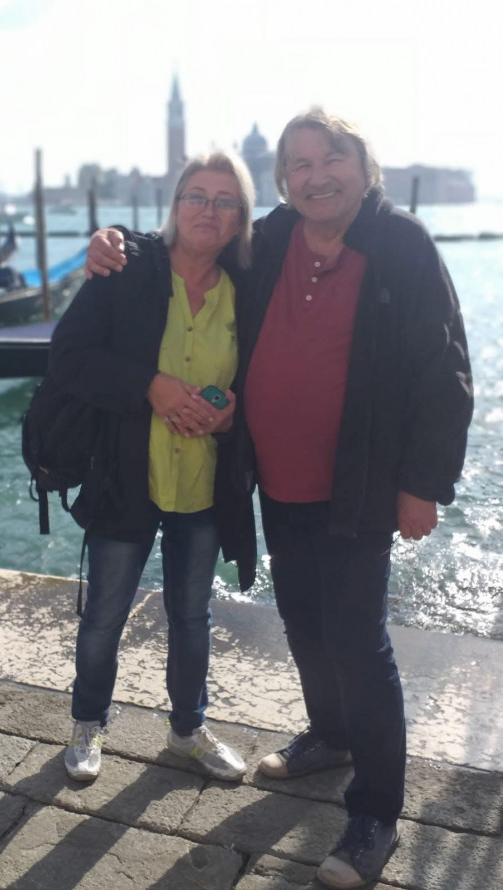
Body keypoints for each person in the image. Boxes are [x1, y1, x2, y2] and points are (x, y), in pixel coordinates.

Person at [85, 108, 473, 888]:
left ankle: (375, 814)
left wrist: (423, 486)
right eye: (300, 163)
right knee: (301, 620)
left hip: (360, 486)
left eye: (332, 159)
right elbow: (195, 236)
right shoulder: (272, 238)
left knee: (358, 640)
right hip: (278, 481)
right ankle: (329, 735)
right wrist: (113, 243)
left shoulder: (402, 244)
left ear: (364, 168)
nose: (316, 174)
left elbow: (445, 373)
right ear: (284, 181)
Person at [48, 151, 257, 783]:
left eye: (225, 201)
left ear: (240, 218)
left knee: (193, 616)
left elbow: (264, 380)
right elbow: (68, 357)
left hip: (204, 484)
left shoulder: (248, 290)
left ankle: (187, 729)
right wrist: (150, 386)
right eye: (197, 196)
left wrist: (232, 414)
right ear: (175, 204)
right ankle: (88, 722)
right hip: (126, 477)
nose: (208, 211)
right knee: (104, 613)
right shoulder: (127, 267)